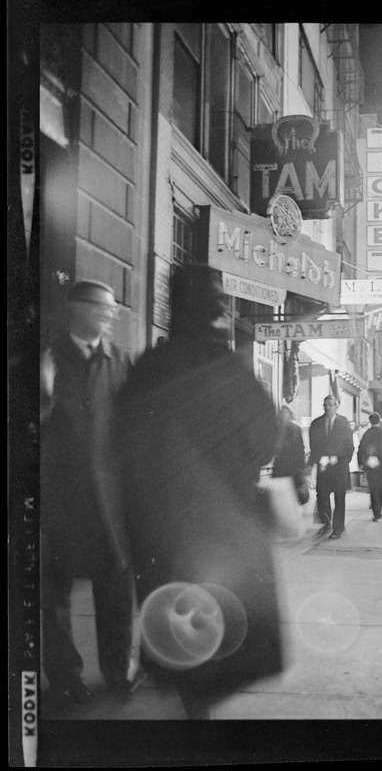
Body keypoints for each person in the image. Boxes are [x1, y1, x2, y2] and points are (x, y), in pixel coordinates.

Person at [115, 264, 283, 718]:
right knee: (225, 612)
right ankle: (205, 700)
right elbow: (266, 431)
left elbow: (123, 442)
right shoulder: (225, 364)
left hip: (162, 523)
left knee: (178, 615)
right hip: (222, 518)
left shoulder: (150, 366)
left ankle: (193, 698)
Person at [40, 279, 138, 707]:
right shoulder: (45, 359)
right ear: (75, 308)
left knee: (116, 589)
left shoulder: (122, 362)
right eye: (101, 307)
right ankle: (66, 677)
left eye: (112, 309)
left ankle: (118, 671)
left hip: (110, 502)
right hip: (58, 501)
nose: (109, 315)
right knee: (54, 595)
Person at [308, 395, 355, 539]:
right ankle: (326, 523)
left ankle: (338, 528)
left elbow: (349, 446)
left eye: (330, 405)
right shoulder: (316, 423)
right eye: (325, 405)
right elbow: (313, 446)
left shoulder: (343, 423)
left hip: (339, 468)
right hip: (323, 468)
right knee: (322, 496)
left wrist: (342, 461)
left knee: (339, 498)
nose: (327, 407)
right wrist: (315, 461)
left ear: (336, 406)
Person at [356, 412, 382, 521]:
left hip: (371, 463)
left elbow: (361, 449)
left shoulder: (367, 433)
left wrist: (360, 462)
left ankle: (376, 511)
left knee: (373, 487)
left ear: (370, 421)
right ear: (379, 420)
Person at [272, 405, 309, 505]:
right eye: (282, 413)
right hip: (278, 468)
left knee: (291, 496)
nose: (283, 416)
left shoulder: (295, 429)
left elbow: (300, 449)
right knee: (278, 497)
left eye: (285, 413)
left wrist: (301, 468)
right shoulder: (274, 429)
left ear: (289, 416)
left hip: (292, 469)